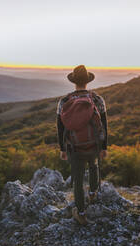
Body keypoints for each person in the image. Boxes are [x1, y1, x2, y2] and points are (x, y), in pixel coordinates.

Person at [56, 65, 108, 225]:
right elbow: (104, 125)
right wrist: (104, 147)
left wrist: (63, 149)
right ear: (87, 81)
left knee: (77, 180)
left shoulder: (64, 101)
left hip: (74, 147)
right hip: (93, 145)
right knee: (94, 166)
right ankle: (92, 193)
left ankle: (81, 213)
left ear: (74, 82)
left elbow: (60, 127)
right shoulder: (97, 99)